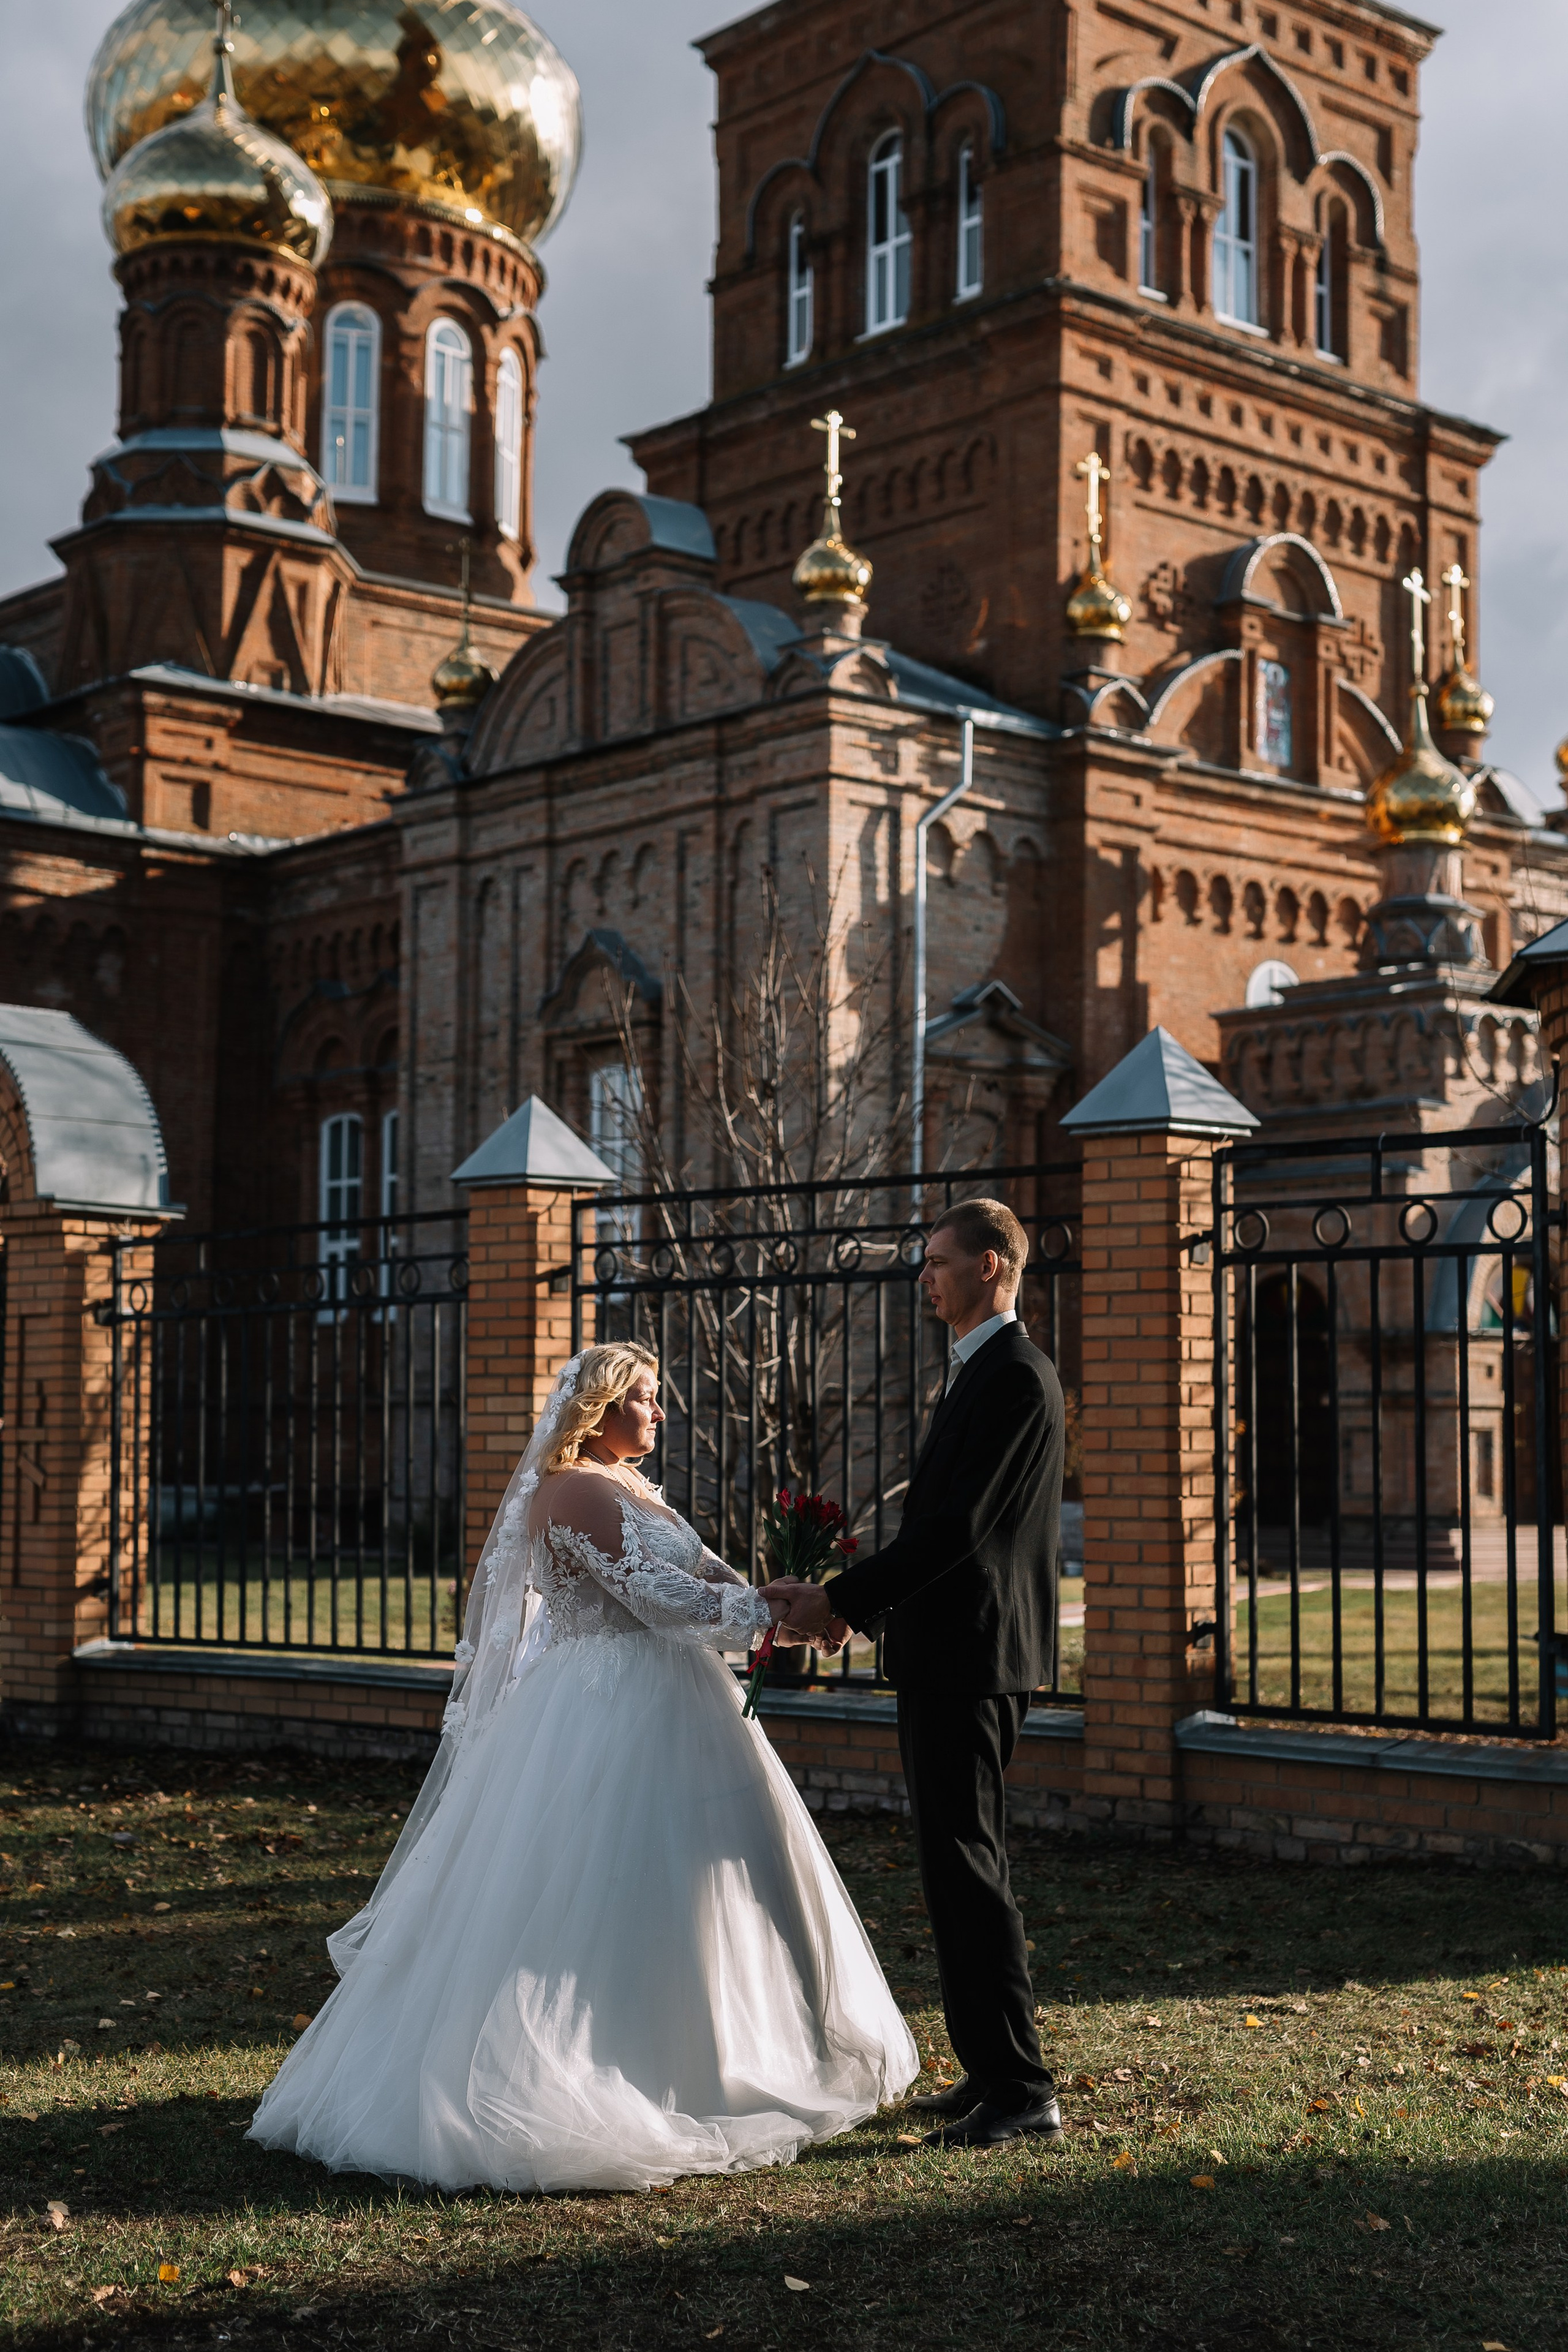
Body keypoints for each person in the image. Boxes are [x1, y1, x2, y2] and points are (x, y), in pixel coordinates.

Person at [248, 1341, 917, 2193]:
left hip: (681, 1700)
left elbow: (708, 1577)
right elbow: (656, 1597)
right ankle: (607, 2071)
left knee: (713, 1884)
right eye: (645, 1397)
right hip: (605, 1708)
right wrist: (765, 1612)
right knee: (598, 1882)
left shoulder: (633, 1487)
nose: (660, 1412)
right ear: (599, 1409)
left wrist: (792, 1609)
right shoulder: (572, 1491)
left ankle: (730, 2051)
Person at [769, 1197, 1065, 2149]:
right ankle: (990, 2070)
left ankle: (1022, 2090)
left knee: (969, 1868)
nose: (925, 1277)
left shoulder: (1015, 1376)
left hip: (975, 1659)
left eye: (938, 1261)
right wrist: (852, 1606)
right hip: (950, 1654)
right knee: (953, 1867)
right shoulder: (979, 1370)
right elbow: (941, 1534)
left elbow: (956, 1532)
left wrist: (839, 1598)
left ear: (990, 1265)